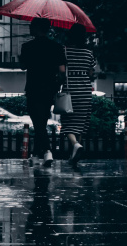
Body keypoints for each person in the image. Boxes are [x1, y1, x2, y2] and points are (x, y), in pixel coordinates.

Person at [19, 17, 65, 166]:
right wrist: (57, 83)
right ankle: (35, 154)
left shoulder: (27, 47)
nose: (29, 28)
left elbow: (22, 66)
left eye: (32, 25)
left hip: (33, 87)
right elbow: (62, 71)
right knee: (42, 120)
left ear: (38, 28)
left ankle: (46, 150)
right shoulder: (57, 47)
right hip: (50, 88)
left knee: (37, 121)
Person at [60, 22, 97, 166]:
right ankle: (74, 155)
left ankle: (75, 145)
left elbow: (62, 72)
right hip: (85, 91)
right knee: (80, 123)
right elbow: (91, 73)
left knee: (68, 123)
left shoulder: (65, 51)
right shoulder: (89, 53)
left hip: (70, 91)